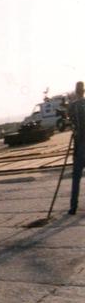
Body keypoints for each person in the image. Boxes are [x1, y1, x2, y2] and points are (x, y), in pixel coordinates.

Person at [69, 81, 85, 215]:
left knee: (76, 177)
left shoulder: (72, 106)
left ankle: (73, 207)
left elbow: (71, 122)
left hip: (79, 145)